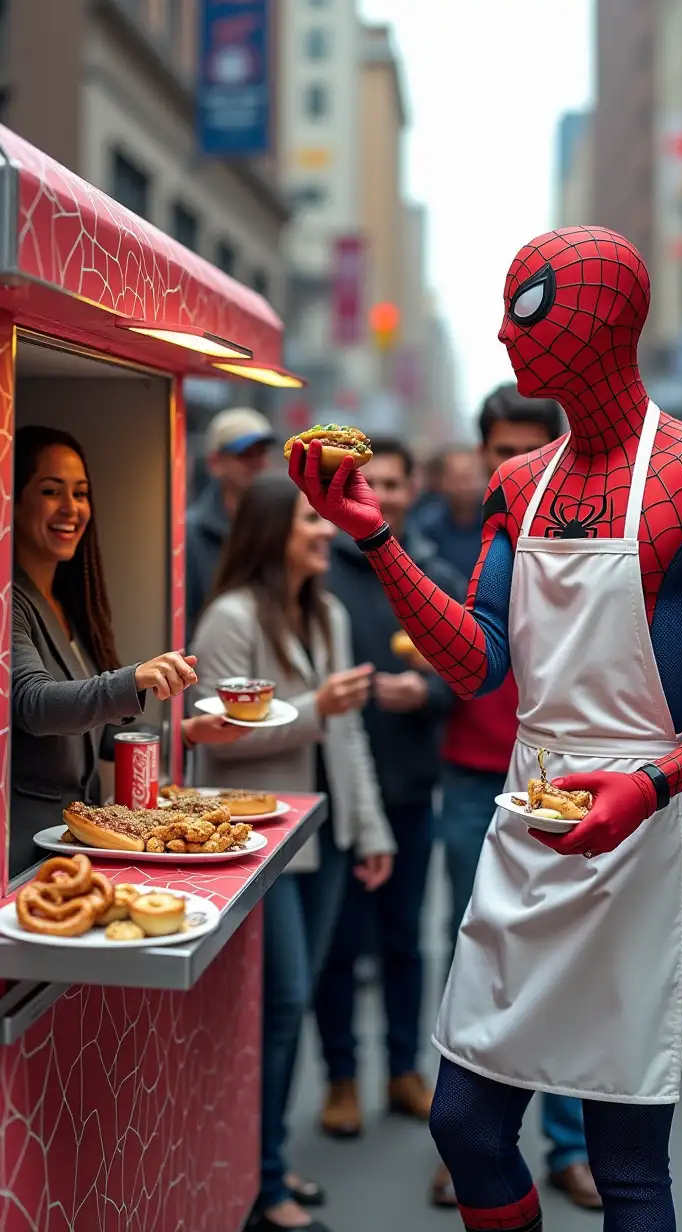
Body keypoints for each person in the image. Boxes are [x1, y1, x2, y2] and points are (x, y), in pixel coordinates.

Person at [289, 226, 682, 1231]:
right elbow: (480, 659)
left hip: (645, 837)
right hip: (528, 819)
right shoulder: (517, 485)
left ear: (607, 319)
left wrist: (653, 782)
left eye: (527, 306)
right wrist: (375, 538)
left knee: (625, 1162)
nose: (503, 331)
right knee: (467, 1123)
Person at [190, 472, 395, 1231]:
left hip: (327, 839)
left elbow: (349, 740)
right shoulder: (229, 619)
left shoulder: (330, 613)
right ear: (273, 529)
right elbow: (220, 740)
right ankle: (261, 1181)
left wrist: (370, 829)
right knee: (279, 1007)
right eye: (311, 518)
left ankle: (263, 1163)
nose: (325, 530)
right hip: (259, 845)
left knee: (292, 1004)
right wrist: (318, 708)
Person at [434, 384, 602, 1213]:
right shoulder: (461, 536)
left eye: (527, 448)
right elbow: (464, 658)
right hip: (473, 773)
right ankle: (471, 1136)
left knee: (565, 966)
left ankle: (569, 1145)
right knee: (473, 949)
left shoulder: (590, 528)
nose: (513, 466)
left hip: (566, 787)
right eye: (500, 449)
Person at [11, 425, 242, 879]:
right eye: (50, 490)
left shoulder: (66, 606)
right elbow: (33, 705)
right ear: (12, 501)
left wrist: (187, 732)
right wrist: (134, 678)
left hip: (74, 843)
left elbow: (93, 732)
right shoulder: (9, 600)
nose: (71, 508)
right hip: (23, 853)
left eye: (80, 493)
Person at [316, 437, 465, 1137]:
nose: (385, 493)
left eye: (396, 483)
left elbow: (469, 674)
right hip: (336, 790)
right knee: (340, 944)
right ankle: (341, 1077)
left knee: (406, 940)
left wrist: (427, 693)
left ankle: (404, 1068)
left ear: (414, 490)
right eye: (370, 481)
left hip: (409, 783)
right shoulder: (318, 570)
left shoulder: (433, 571)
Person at [185, 406, 275, 637]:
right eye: (245, 454)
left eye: (262, 452)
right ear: (215, 462)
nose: (258, 463)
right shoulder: (191, 535)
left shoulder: (281, 529)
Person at [411, 446, 485, 580]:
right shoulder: (426, 525)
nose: (464, 486)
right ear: (443, 481)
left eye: (470, 478)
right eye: (458, 479)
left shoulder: (496, 524)